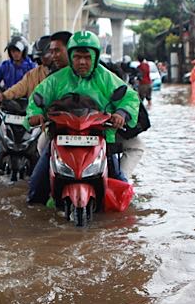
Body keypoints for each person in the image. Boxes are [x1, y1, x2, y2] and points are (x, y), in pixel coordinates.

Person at [25, 30, 140, 204]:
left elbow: (130, 97)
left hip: (100, 138)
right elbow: (37, 98)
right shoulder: (56, 79)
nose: (82, 62)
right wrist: (35, 114)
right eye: (77, 57)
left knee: (122, 192)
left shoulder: (107, 77)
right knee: (35, 190)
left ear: (95, 57)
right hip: (62, 137)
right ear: (71, 57)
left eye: (87, 57)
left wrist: (121, 113)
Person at [0, 31, 71, 105]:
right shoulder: (32, 74)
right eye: (12, 51)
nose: (15, 54)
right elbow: (20, 87)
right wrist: (3, 96)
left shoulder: (72, 73)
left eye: (17, 51)